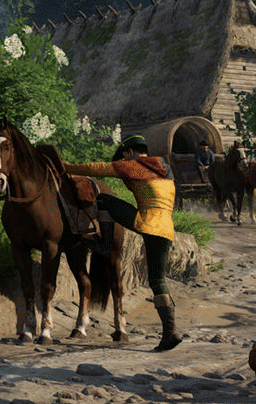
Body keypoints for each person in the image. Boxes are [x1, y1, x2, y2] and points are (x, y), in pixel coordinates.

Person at [65, 134, 182, 351]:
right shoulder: (164, 167)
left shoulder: (133, 165)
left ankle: (105, 245)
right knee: (158, 280)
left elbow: (98, 168)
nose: (123, 161)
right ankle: (171, 331)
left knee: (103, 200)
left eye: (124, 156)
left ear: (129, 153)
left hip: (147, 222)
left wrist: (68, 166)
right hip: (166, 228)